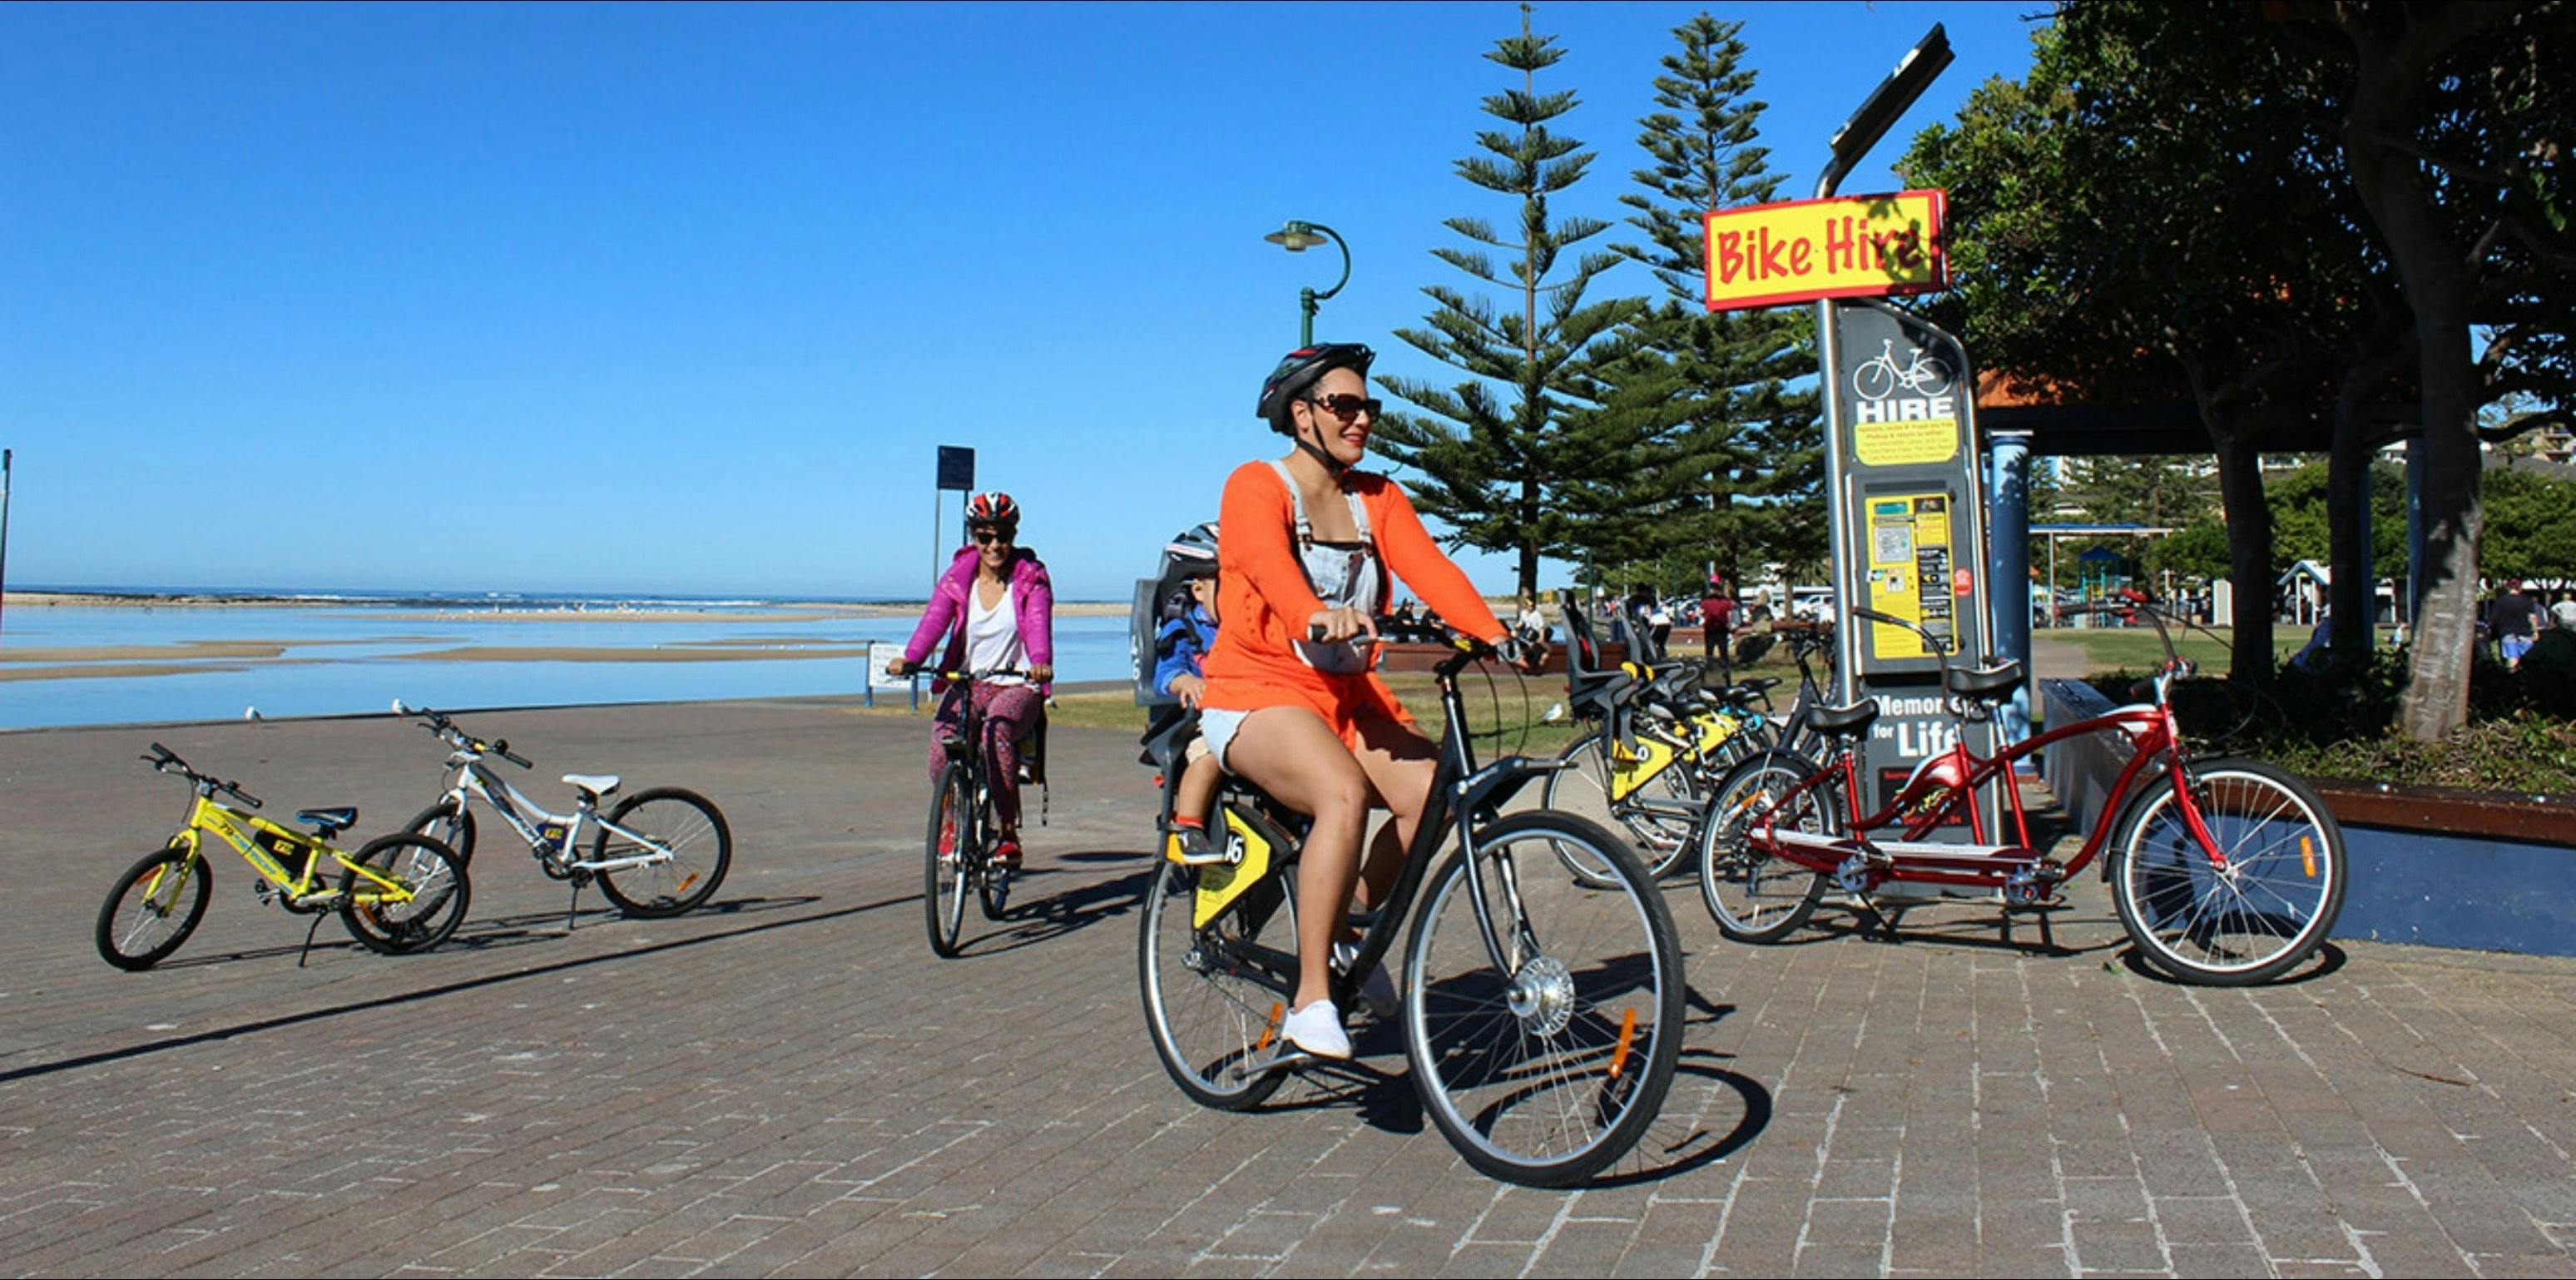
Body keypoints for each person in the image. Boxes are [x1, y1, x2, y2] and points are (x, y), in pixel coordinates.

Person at [1200, 342, 1528, 1061]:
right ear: (1302, 414)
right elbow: (1268, 566)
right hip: (1256, 690)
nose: (1362, 420)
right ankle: (1311, 999)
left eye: (1368, 406)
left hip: (1347, 698)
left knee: (1437, 794)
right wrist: (1312, 613)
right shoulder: (1256, 485)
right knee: (1342, 794)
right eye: (1344, 405)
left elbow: (1430, 569)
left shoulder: (1376, 497)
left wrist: (1497, 633)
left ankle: (1345, 924)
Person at [885, 492, 1055, 870]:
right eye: (984, 537)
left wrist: (1040, 663)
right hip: (967, 682)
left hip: (1015, 684)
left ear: (1013, 535)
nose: (994, 545)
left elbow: (1037, 623)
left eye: (1002, 536)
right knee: (940, 748)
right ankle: (951, 822)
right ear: (973, 537)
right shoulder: (958, 577)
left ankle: (1007, 832)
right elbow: (934, 620)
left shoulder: (1030, 578)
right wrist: (911, 659)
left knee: (996, 731)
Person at [1152, 522, 1226, 865]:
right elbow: (1164, 673)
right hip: (1199, 721)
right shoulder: (1184, 628)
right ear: (1198, 589)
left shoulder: (1247, 627)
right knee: (1210, 755)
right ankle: (1189, 825)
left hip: (1246, 714)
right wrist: (1185, 682)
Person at [2487, 579, 2544, 670]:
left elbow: (2494, 619)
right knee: (2527, 659)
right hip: (2525, 633)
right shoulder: (2527, 601)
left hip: (2507, 632)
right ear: (2520, 588)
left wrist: (2491, 630)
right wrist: (2535, 632)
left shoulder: (2500, 601)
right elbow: (2532, 617)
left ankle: (2513, 675)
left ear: (2508, 588)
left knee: (2512, 658)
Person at [1700, 574, 1735, 665]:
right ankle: (1723, 667)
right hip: (1717, 628)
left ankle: (1712, 667)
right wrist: (1730, 626)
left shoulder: (1706, 601)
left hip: (1714, 628)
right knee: (1721, 650)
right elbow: (1729, 615)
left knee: (1711, 650)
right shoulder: (1726, 601)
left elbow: (1702, 614)